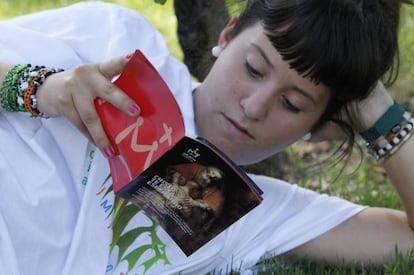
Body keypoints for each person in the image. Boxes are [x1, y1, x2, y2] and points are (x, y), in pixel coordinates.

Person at [0, 1, 413, 274]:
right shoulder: (121, 40)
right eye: (253, 68)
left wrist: (373, 107)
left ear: (318, 123)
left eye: (292, 103)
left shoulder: (250, 212)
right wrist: (37, 87)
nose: (254, 105)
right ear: (227, 35)